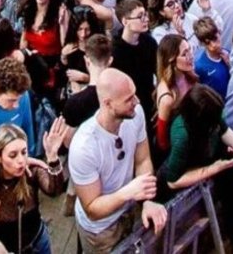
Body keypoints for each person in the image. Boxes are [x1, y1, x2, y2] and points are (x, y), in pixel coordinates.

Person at [68, 69, 167, 254]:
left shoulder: (135, 113)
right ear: (108, 103)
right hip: (100, 230)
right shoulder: (84, 147)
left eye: (134, 94)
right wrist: (129, 192)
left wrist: (146, 200)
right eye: (128, 99)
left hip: (127, 211)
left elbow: (143, 159)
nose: (136, 101)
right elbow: (92, 208)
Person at [157, 84, 233, 242]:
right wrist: (213, 169)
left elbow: (225, 131)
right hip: (178, 177)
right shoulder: (182, 135)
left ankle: (232, 232)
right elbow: (172, 181)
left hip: (203, 157)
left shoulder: (210, 113)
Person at [0, 121, 67, 254]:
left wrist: (52, 157)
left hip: (37, 242)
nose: (21, 160)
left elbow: (54, 190)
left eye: (24, 152)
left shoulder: (31, 171)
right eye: (13, 155)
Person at [110, 0, 158, 122]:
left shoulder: (149, 42)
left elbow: (159, 71)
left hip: (150, 101)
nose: (146, 19)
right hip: (128, 106)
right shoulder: (115, 51)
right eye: (140, 17)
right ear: (125, 21)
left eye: (145, 15)